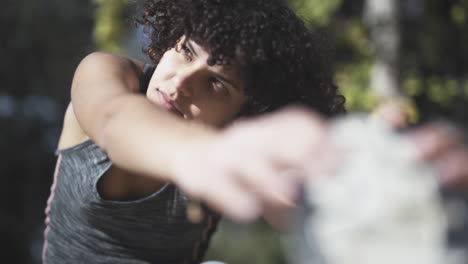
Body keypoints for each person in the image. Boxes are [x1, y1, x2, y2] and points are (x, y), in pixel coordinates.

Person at [42, 0, 345, 263]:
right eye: (186, 51)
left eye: (215, 83)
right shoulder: (107, 72)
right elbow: (112, 118)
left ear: (244, 116)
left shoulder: (231, 143)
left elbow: (301, 210)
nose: (180, 83)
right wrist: (201, 152)